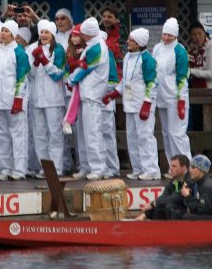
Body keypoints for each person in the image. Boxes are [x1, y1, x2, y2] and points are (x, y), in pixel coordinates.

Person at [68, 18, 112, 181]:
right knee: (83, 133)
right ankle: (86, 166)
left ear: (87, 34)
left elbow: (85, 68)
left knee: (92, 132)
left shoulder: (97, 47)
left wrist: (72, 79)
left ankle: (98, 167)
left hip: (92, 94)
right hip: (85, 94)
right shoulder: (93, 44)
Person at [113, 28, 159, 181]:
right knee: (132, 137)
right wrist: (115, 92)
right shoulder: (127, 57)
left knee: (145, 137)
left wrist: (147, 103)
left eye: (131, 40)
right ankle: (138, 168)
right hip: (130, 104)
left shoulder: (148, 60)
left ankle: (151, 170)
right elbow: (125, 80)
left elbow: (152, 83)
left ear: (139, 43)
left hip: (143, 105)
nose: (128, 42)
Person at [0, 20, 32, 181]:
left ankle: (19, 169)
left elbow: (22, 77)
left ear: (13, 34)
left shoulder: (19, 52)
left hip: (14, 99)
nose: (3, 33)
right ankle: (5, 167)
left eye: (6, 31)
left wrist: (18, 98)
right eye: (2, 30)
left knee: (18, 135)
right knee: (1, 135)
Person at [28, 20, 67, 177]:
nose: (44, 35)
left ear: (52, 34)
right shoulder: (32, 48)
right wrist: (36, 62)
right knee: (39, 134)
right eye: (42, 32)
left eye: (47, 32)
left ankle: (56, 168)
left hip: (53, 99)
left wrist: (44, 61)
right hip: (36, 99)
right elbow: (29, 73)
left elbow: (58, 74)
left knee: (55, 133)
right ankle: (45, 168)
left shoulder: (58, 49)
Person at [153, 18, 192, 164]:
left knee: (177, 134)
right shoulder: (157, 48)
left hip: (175, 97)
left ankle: (185, 165)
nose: (166, 37)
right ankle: (173, 166)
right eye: (164, 34)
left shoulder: (180, 51)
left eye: (170, 35)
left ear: (175, 35)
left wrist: (181, 99)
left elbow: (182, 77)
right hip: (161, 96)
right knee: (166, 133)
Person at [137, 155, 190, 220]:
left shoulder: (189, 181)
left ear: (183, 168)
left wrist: (153, 204)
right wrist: (145, 214)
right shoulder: (175, 181)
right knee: (160, 209)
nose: (170, 168)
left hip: (190, 212)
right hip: (177, 208)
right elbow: (164, 197)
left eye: (174, 166)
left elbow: (176, 198)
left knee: (169, 207)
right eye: (170, 165)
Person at [180, 154, 212, 219]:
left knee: (186, 217)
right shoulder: (197, 182)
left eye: (193, 168)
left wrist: (188, 197)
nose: (190, 170)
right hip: (210, 215)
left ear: (202, 170)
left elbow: (202, 210)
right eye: (190, 167)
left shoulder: (207, 186)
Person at [188, 21, 212, 89]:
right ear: (190, 36)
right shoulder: (192, 49)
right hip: (196, 89)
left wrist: (191, 71)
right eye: (194, 34)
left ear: (204, 33)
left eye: (199, 33)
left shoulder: (211, 47)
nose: (197, 37)